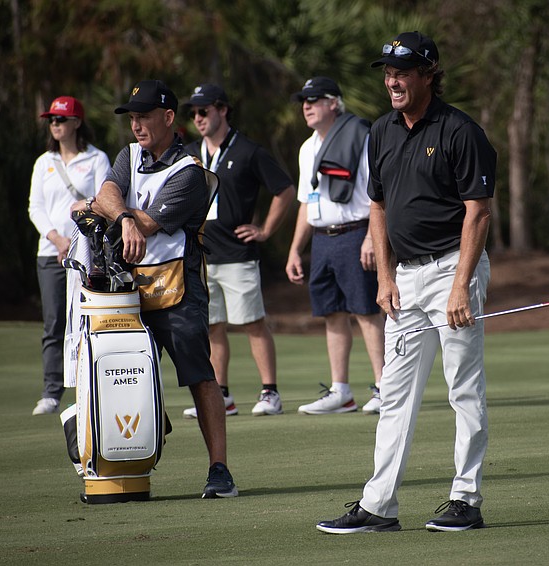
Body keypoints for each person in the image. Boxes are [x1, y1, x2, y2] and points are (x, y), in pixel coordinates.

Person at [316, 32, 497, 533]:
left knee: (463, 388)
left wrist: (462, 285)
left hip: (452, 272)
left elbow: (478, 213)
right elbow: (377, 203)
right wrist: (386, 276)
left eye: (404, 71)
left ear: (428, 74)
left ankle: (466, 498)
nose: (392, 80)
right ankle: (379, 506)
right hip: (405, 281)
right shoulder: (381, 130)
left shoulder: (460, 130)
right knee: (394, 394)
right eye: (388, 72)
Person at [70, 79, 236, 498]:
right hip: (127, 288)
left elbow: (147, 222)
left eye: (144, 116)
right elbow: (112, 192)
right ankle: (137, 436)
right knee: (118, 373)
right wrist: (120, 216)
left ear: (167, 118)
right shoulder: (129, 155)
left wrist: (105, 211)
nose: (137, 125)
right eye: (133, 118)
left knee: (200, 376)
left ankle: (219, 470)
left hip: (178, 289)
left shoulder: (191, 172)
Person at [181, 83, 294, 418]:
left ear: (222, 110)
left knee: (252, 322)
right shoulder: (189, 153)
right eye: (194, 113)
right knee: (212, 325)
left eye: (204, 111)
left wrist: (266, 230)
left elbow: (284, 190)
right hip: (201, 255)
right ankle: (222, 395)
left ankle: (270, 392)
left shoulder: (247, 150)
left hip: (238, 254)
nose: (198, 118)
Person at [286, 76, 384, 415]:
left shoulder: (360, 135)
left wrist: (373, 237)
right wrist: (295, 249)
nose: (307, 106)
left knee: (366, 312)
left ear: (334, 104)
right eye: (304, 100)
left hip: (356, 233)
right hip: (321, 239)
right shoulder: (306, 147)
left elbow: (377, 194)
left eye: (314, 99)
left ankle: (385, 387)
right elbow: (305, 202)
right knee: (332, 314)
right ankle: (341, 391)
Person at [28, 96, 110, 415]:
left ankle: (90, 384)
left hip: (87, 254)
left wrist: (75, 241)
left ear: (76, 123)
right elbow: (35, 207)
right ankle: (52, 391)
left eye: (61, 120)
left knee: (88, 321)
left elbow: (104, 199)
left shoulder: (96, 158)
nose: (55, 125)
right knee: (54, 323)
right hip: (51, 253)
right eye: (52, 120)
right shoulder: (43, 162)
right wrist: (57, 238)